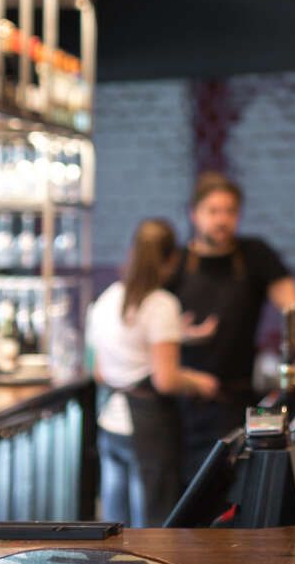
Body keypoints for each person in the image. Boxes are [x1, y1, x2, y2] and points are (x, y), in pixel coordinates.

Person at [174, 171, 295, 481]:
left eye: (230, 211)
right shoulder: (176, 262)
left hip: (233, 399)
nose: (222, 220)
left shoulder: (254, 254)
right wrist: (179, 333)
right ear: (194, 214)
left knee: (228, 490)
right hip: (179, 402)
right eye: (213, 211)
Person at [87, 217, 220, 527]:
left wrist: (180, 335)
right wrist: (200, 382)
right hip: (148, 428)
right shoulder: (161, 304)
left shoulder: (107, 298)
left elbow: (99, 372)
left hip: (110, 422)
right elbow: (166, 379)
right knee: (153, 529)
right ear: (172, 259)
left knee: (113, 528)